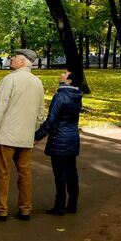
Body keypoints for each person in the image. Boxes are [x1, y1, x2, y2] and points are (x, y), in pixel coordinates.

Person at [0, 49, 45, 221]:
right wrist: (34, 132)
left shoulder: (9, 79)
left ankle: (1, 210)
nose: (11, 59)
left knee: (2, 173)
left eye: (15, 57)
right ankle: (25, 209)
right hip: (26, 136)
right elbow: (40, 112)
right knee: (25, 173)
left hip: (6, 135)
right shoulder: (37, 82)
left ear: (24, 61)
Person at [34, 71, 83, 216]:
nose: (61, 74)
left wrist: (37, 136)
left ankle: (59, 206)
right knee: (72, 173)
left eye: (65, 73)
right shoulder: (77, 96)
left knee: (60, 175)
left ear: (69, 80)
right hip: (73, 138)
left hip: (60, 140)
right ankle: (72, 205)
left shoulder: (60, 96)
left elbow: (51, 121)